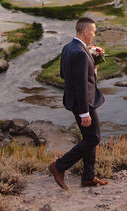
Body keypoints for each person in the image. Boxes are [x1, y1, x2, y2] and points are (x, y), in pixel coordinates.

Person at [47, 17, 109, 190]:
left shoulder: (68, 47)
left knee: (89, 137)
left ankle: (88, 177)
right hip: (84, 103)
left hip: (73, 100)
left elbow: (64, 74)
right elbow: (82, 85)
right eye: (94, 32)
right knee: (94, 138)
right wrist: (84, 112)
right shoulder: (81, 53)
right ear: (86, 31)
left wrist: (93, 66)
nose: (94, 35)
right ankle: (59, 166)